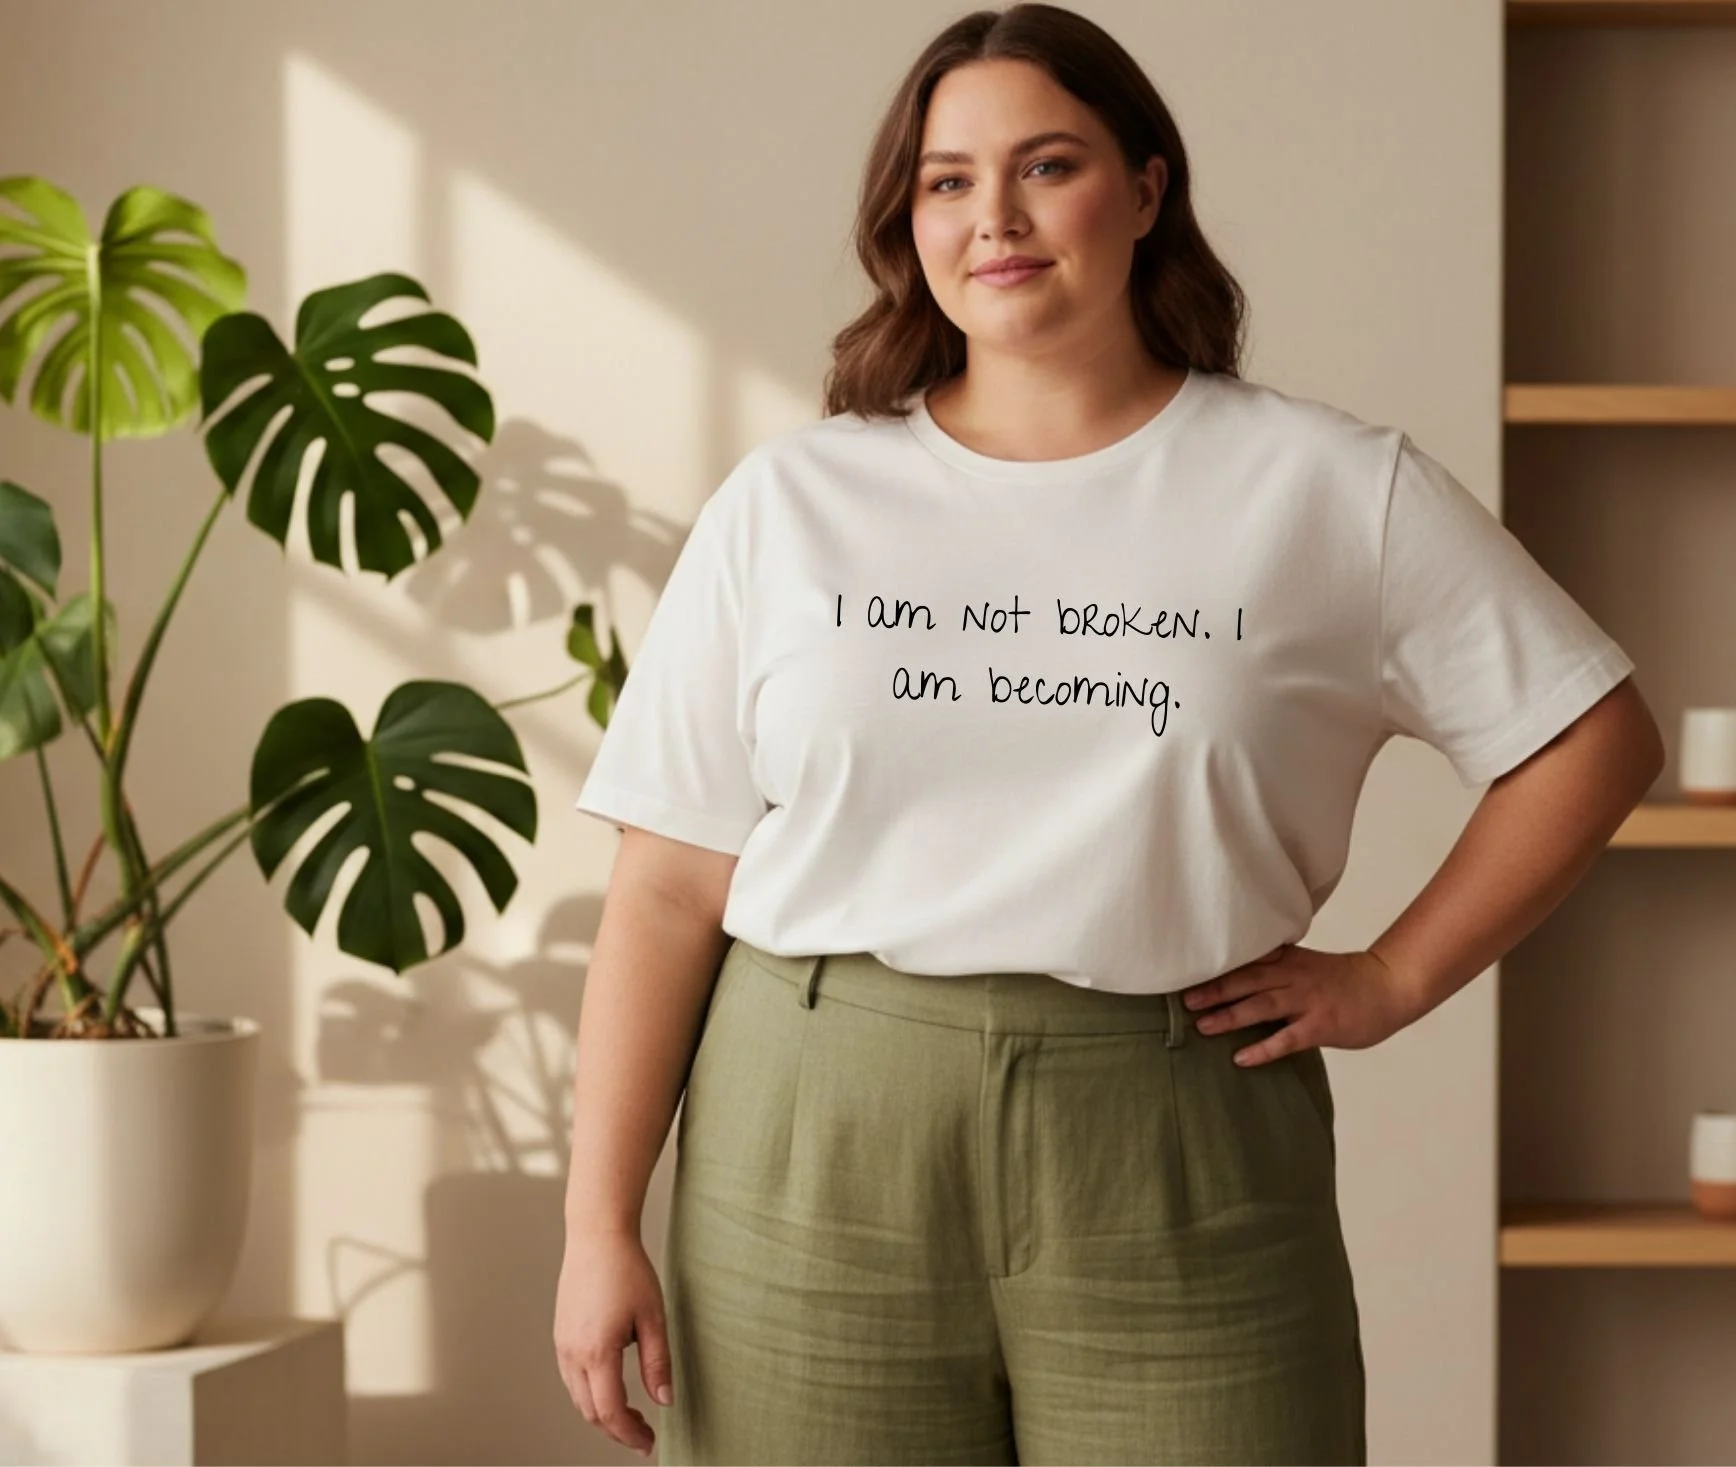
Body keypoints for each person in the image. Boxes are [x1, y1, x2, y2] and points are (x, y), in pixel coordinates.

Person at [553, 4, 1666, 1464]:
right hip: (811, 1134)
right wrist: (595, 1221)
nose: (994, 217)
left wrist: (1394, 973)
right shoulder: (794, 503)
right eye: (947, 179)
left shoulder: (1324, 487)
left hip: (1175, 1128)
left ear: (1146, 189)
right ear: (910, 218)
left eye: (1047, 165)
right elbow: (668, 879)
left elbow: (1592, 735)